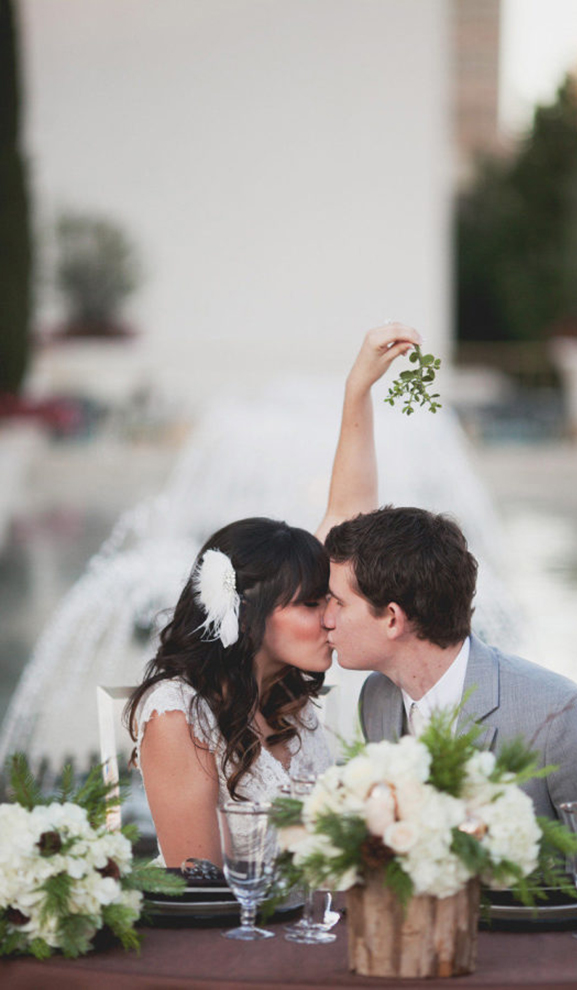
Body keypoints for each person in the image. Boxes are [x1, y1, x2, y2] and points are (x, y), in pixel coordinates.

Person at [125, 323, 421, 868]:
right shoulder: (177, 716)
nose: (334, 616)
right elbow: (199, 884)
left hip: (325, 925)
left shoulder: (287, 695)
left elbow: (350, 519)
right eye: (313, 603)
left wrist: (358, 390)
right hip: (239, 939)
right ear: (251, 613)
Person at [322, 506, 577, 890]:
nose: (326, 618)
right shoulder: (377, 698)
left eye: (338, 603)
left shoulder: (561, 716)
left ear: (393, 618)